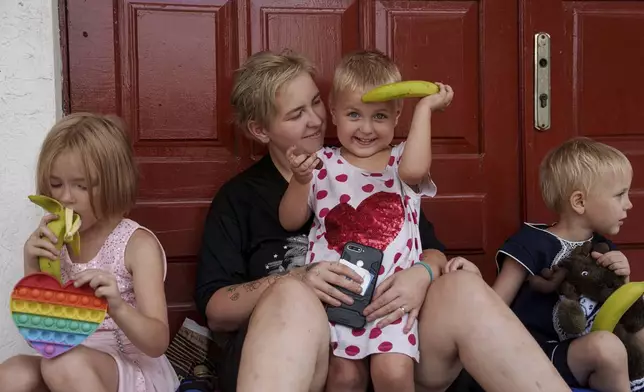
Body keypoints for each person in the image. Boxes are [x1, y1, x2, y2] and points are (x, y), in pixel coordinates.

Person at [194, 49, 572, 392]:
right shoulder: (241, 198)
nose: (315, 121)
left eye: (315, 104)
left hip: (392, 343)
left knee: (463, 287)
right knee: (292, 295)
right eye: (296, 114)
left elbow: (431, 252)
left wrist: (421, 275)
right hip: (307, 359)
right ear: (260, 130)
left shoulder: (376, 168)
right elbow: (217, 308)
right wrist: (296, 278)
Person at [277, 50, 453, 392]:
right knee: (344, 377)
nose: (367, 128)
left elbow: (416, 171)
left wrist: (425, 111)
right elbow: (289, 220)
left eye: (381, 116)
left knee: (393, 372)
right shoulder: (321, 163)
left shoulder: (401, 162)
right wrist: (300, 181)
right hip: (339, 296)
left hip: (393, 295)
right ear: (334, 113)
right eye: (354, 114)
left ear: (398, 115)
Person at [0, 113, 179, 392]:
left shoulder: (137, 245)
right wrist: (33, 266)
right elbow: (48, 335)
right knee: (11, 374)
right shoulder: (54, 242)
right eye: (56, 184)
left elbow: (156, 343)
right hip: (71, 364)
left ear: (114, 183)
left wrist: (117, 307)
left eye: (81, 186)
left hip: (133, 368)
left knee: (60, 363)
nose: (65, 198)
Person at [492, 137, 637, 392]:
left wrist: (623, 277)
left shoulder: (602, 247)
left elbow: (617, 308)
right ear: (579, 202)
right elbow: (492, 308)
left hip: (584, 354)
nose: (629, 204)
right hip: (537, 356)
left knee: (620, 340)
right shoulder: (531, 243)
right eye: (620, 195)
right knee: (607, 347)